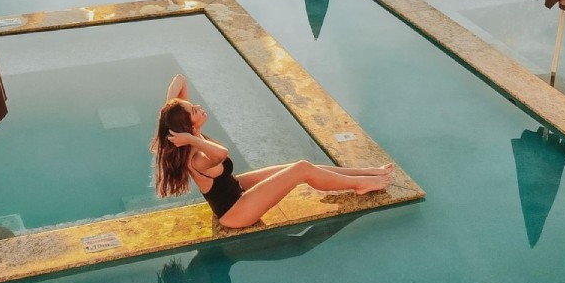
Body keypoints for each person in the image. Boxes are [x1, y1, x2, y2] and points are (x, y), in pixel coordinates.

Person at [152, 74, 393, 229]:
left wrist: (171, 107)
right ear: (188, 126)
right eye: (193, 110)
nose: (198, 106)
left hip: (235, 188)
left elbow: (179, 79)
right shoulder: (198, 156)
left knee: (298, 166)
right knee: (302, 169)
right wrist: (190, 135)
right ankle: (360, 184)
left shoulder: (189, 138)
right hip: (235, 213)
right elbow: (221, 153)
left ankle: (365, 172)